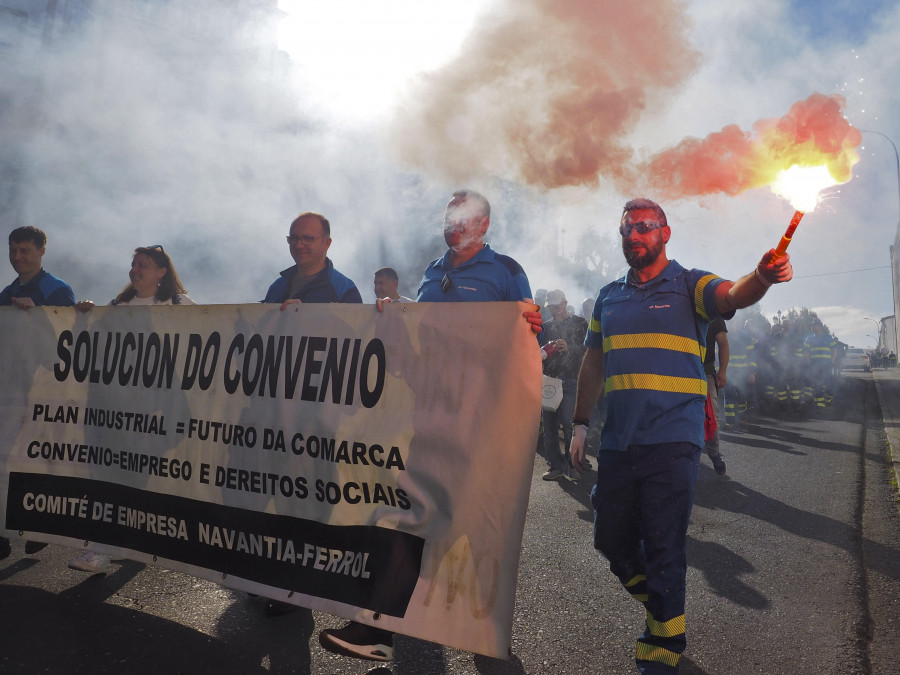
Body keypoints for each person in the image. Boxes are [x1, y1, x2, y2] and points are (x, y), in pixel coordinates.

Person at [568, 198, 792, 674]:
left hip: (674, 437)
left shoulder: (691, 284)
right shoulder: (608, 296)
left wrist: (763, 277)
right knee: (609, 537)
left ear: (665, 233)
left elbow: (732, 296)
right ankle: (662, 602)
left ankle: (662, 645)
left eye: (645, 227)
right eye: (626, 228)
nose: (634, 235)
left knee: (663, 540)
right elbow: (593, 363)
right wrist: (581, 423)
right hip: (618, 440)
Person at [318, 189, 542, 663]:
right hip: (430, 417)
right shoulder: (432, 273)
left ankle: (482, 628)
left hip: (479, 421)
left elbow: (524, 344)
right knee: (411, 514)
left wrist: (530, 327)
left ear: (483, 225)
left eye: (463, 217)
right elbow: (416, 354)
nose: (452, 224)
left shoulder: (506, 271)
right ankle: (378, 626)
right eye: (448, 215)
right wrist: (394, 322)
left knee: (474, 524)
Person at [68, 245, 195, 573]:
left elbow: (205, 339)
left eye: (143, 265)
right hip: (115, 410)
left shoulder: (180, 306)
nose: (135, 269)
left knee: (128, 480)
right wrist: (82, 316)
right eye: (133, 264)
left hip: (154, 414)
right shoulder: (118, 306)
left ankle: (107, 549)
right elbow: (91, 346)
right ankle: (116, 546)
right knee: (114, 479)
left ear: (161, 272)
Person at [0, 226, 76, 559]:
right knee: (3, 460)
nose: (18, 257)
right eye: (13, 250)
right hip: (8, 385)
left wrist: (37, 316)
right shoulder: (5, 293)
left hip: (43, 389)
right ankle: (3, 533)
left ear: (42, 251)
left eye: (25, 251)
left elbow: (68, 343)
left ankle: (39, 526)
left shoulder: (57, 290)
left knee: (38, 458)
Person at [539, 288, 587, 481]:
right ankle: (555, 465)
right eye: (551, 306)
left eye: (557, 305)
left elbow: (587, 350)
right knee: (549, 425)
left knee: (568, 423)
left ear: (565, 303)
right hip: (550, 379)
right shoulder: (546, 326)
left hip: (570, 378)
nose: (554, 309)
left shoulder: (580, 322)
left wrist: (569, 347)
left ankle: (573, 463)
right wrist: (544, 351)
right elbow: (538, 351)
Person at [263, 212, 361, 305]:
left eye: (307, 238)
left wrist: (301, 315)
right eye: (293, 238)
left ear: (327, 243)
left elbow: (357, 323)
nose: (299, 245)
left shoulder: (344, 289)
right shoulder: (277, 287)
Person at [703, 318, 728, 474]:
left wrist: (722, 371)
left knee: (710, 417)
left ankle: (713, 454)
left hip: (705, 372)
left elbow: (723, 343)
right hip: (679, 370)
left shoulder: (712, 310)